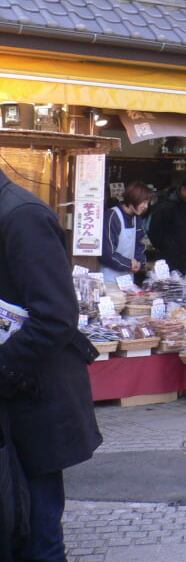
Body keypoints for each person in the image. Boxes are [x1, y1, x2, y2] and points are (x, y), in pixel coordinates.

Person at [0, 167, 103, 560]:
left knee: (36, 534)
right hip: (16, 398)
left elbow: (56, 317)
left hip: (32, 404)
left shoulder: (20, 214)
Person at [100, 181, 153, 288]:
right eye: (143, 202)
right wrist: (129, 263)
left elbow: (139, 243)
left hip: (127, 278)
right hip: (110, 278)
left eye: (147, 203)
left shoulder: (136, 218)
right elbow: (107, 253)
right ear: (133, 198)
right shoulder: (112, 217)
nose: (145, 206)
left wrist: (139, 262)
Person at [147, 176, 186, 273]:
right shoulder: (166, 207)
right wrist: (168, 248)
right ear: (184, 190)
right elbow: (154, 233)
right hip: (169, 259)